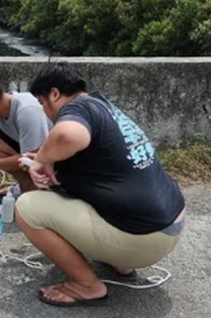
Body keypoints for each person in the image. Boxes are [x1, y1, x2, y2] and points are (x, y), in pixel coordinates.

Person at [14, 62, 186, 307]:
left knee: (27, 207)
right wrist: (49, 158)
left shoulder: (78, 108)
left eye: (42, 102)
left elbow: (67, 135)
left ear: (54, 94)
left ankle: (86, 285)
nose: (44, 110)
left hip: (142, 238)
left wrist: (41, 160)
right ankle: (119, 262)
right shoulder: (103, 107)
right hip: (169, 225)